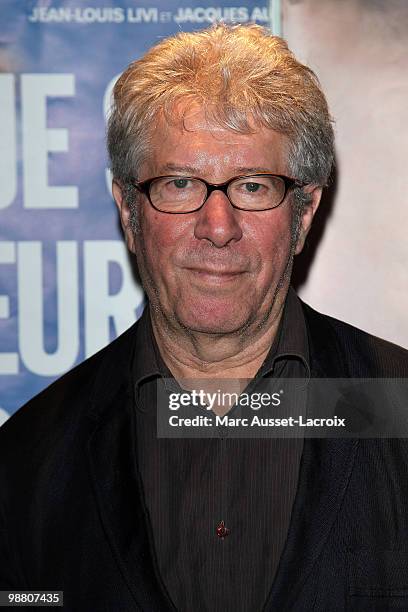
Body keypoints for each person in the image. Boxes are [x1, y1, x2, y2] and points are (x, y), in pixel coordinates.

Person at [1, 23, 408, 612]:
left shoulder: (397, 408)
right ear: (127, 210)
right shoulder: (29, 462)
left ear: (305, 211)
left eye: (251, 185)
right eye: (181, 182)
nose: (218, 227)